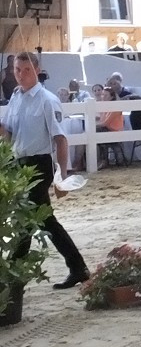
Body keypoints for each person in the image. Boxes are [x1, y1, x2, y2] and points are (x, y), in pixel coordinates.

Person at [0, 52, 90, 291]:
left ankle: (14, 275)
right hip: (19, 165)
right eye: (17, 70)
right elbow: (9, 134)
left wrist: (62, 176)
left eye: (26, 70)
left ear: (37, 70)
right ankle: (76, 267)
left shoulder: (47, 100)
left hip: (39, 165)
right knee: (37, 220)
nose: (20, 75)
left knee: (33, 219)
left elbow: (60, 139)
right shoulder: (15, 98)